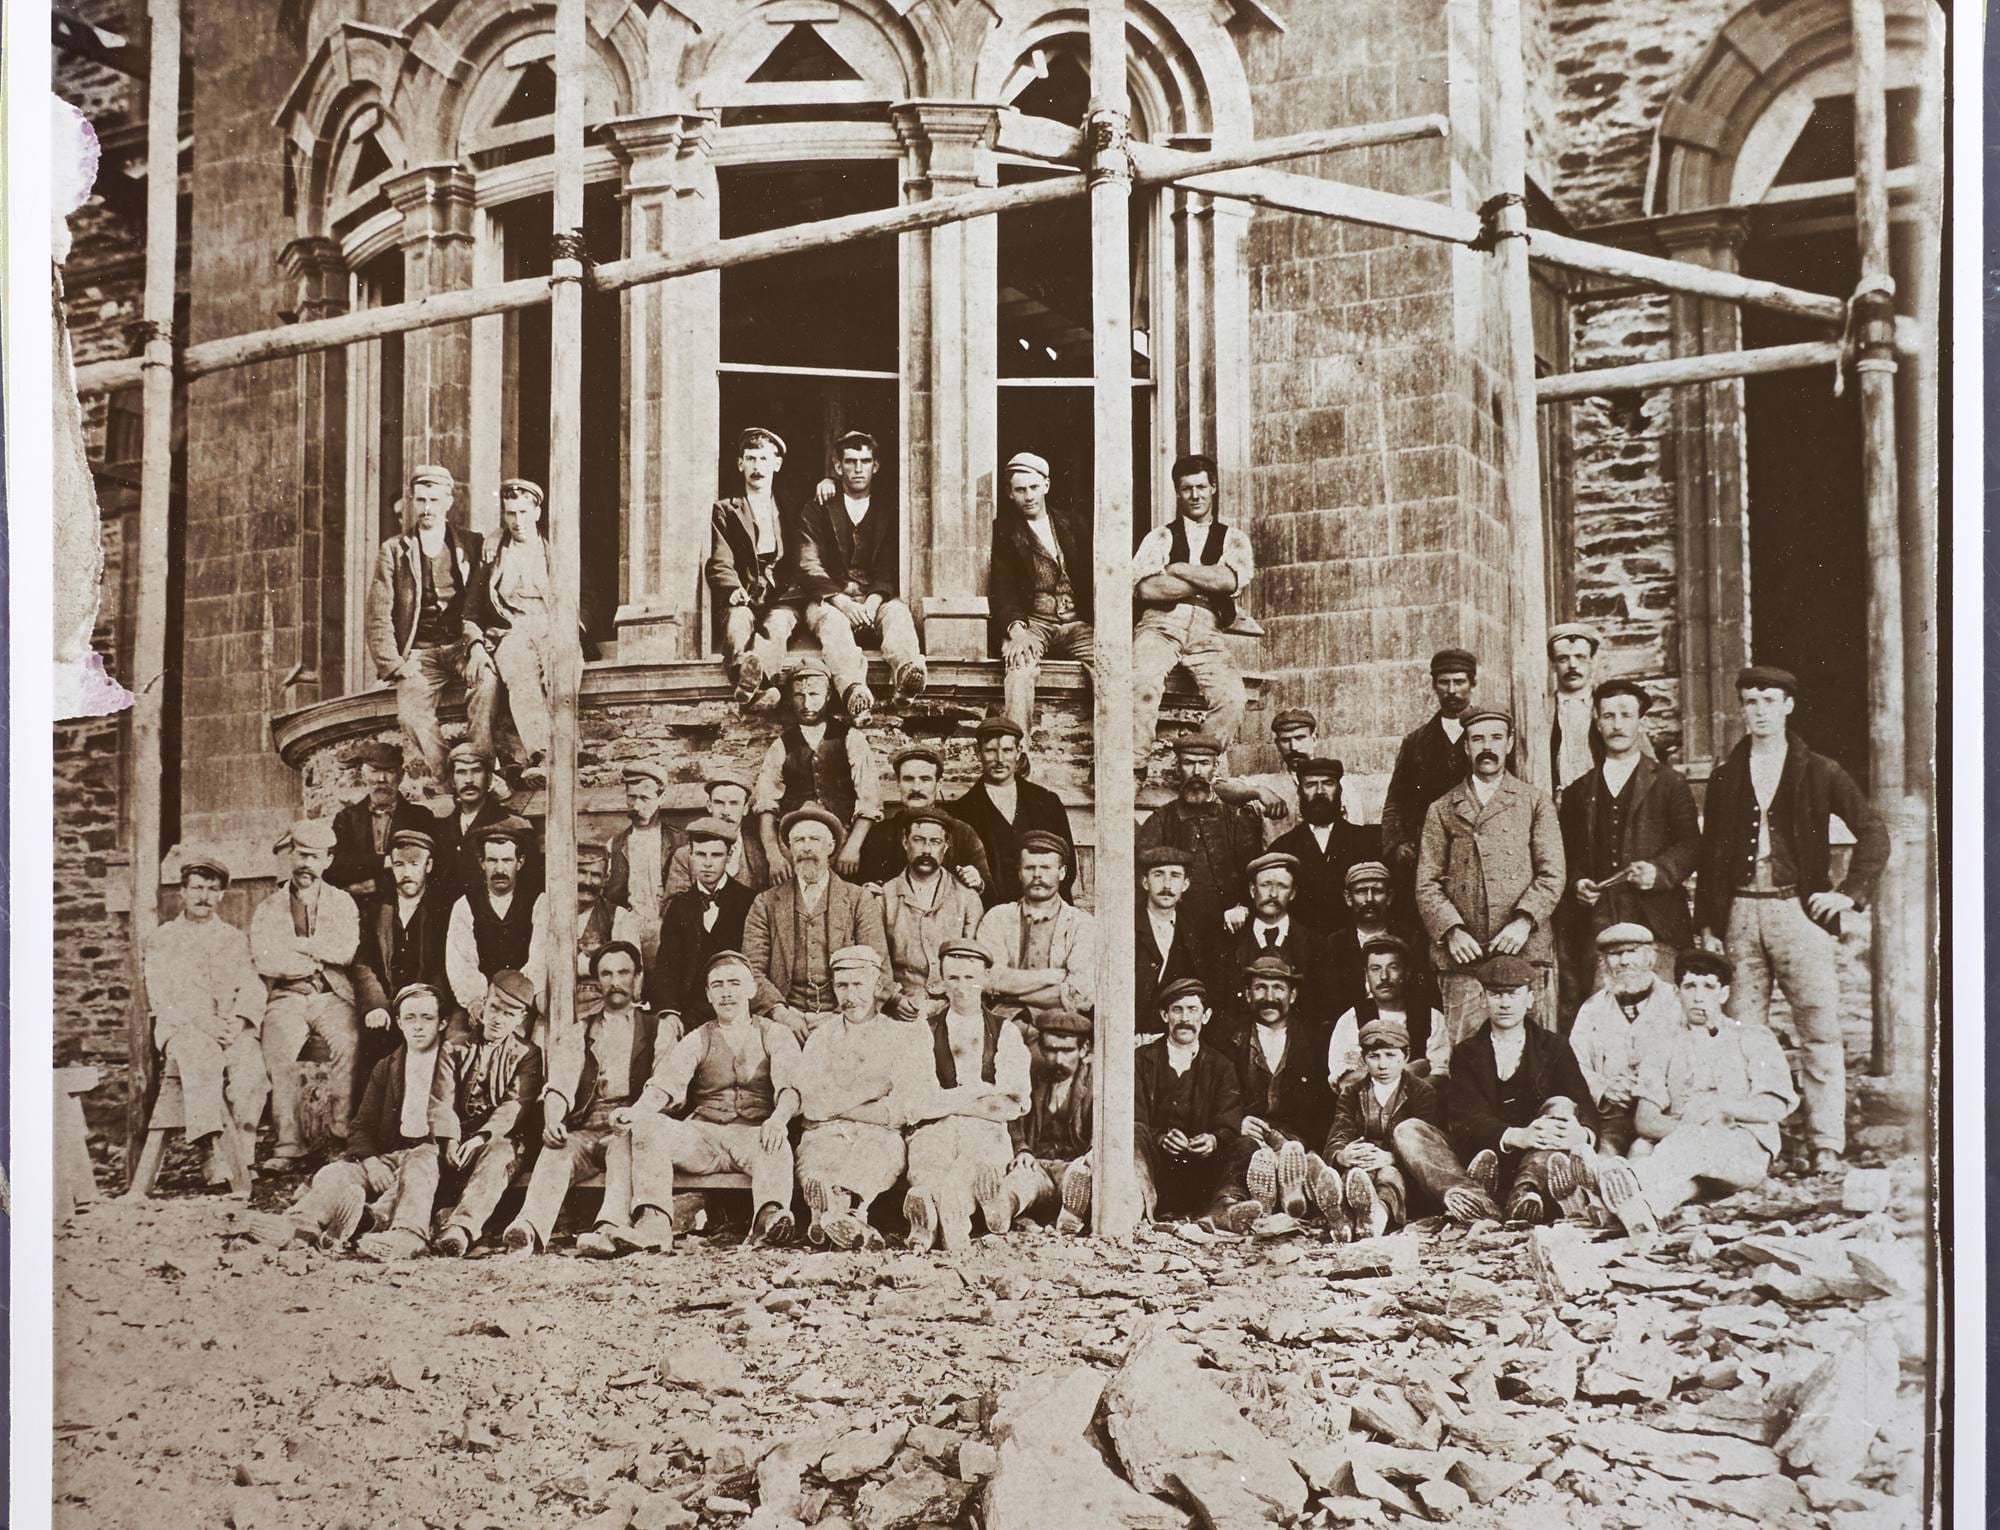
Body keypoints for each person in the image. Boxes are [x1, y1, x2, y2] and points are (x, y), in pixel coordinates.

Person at [1695, 665, 1888, 1176]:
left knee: (1819, 1030)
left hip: (1797, 913)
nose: (1757, 710)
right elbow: (1711, 855)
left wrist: (1847, 895)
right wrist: (1710, 922)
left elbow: (1872, 831)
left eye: (1767, 700)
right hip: (1739, 912)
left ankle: (1826, 1141)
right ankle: (1757, 1144)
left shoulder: (1819, 770)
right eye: (1749, 701)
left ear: (1788, 706)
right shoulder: (1726, 775)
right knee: (1743, 1034)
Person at [1584, 949, 1800, 1234]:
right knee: (1660, 1160)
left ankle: (1607, 1183)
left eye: (1709, 987)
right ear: (1677, 992)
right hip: (1682, 1151)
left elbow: (1773, 1107)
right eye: (1690, 986)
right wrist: (1689, 1126)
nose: (1699, 997)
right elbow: (1646, 1121)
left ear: (1723, 994)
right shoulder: (1663, 1044)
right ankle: (1638, 1210)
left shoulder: (1752, 1038)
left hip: (1742, 1153)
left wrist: (1720, 1108)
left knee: (1672, 1148)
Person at [618, 949, 807, 1248]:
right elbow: (666, 1082)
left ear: (751, 989)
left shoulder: (775, 1033)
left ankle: (769, 1222)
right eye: (717, 985)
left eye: (734, 983)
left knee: (776, 1144)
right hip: (703, 1138)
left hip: (752, 1136)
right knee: (648, 1128)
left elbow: (791, 1088)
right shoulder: (698, 1037)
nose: (726, 993)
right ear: (707, 994)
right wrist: (638, 1111)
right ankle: (653, 1224)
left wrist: (778, 1119)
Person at [502, 943, 676, 1256]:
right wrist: (554, 1118)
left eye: (623, 972)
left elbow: (663, 1084)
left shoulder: (655, 1028)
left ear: (637, 976)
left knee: (623, 1145)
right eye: (606, 974)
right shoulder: (581, 1029)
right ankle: (528, 1228)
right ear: (597, 981)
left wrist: (635, 1114)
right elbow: (560, 1083)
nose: (615, 981)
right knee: (556, 1151)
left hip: (628, 1126)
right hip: (586, 1126)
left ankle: (607, 1229)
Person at [258, 983, 451, 1253]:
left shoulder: (454, 1063)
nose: (418, 1026)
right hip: (389, 1157)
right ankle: (298, 1225)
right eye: (410, 1018)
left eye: (427, 1018)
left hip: (430, 1160)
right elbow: (361, 1126)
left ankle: (405, 1235)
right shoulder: (388, 1067)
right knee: (335, 1173)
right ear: (398, 1023)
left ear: (442, 1023)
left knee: (416, 1172)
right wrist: (372, 1163)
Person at [1416, 706, 1565, 1047]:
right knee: (1466, 1054)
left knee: (1532, 1056)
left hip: (1524, 951)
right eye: (1477, 738)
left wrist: (1524, 922)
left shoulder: (1534, 802)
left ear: (1510, 743)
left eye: (1496, 737)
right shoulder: (1441, 808)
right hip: (1464, 958)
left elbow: (1552, 874)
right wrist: (1451, 931)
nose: (1488, 746)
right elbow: (1426, 882)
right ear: (1466, 747)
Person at [1555, 677, 1699, 1028]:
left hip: (1657, 923)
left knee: (1664, 1017)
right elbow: (1567, 856)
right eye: (1609, 715)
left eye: (1625, 715)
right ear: (1597, 721)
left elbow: (1692, 846)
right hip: (1599, 924)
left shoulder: (1669, 783)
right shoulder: (1578, 792)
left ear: (1639, 722)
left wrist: (1659, 871)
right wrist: (1578, 884)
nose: (1617, 724)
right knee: (1601, 1018)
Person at [796, 945, 940, 1249]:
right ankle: (836, 1217)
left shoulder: (901, 1036)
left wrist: (837, 1107)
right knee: (819, 1158)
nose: (850, 996)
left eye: (858, 985)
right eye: (841, 986)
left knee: (875, 1154)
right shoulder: (822, 1038)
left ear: (877, 988)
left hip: (879, 1133)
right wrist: (872, 1092)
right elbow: (810, 1104)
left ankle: (844, 1213)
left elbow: (903, 1109)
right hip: (826, 1133)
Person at [364, 465, 497, 788]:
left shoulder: (471, 543)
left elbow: (485, 600)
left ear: (448, 502)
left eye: (434, 500)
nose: (427, 509)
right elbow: (378, 613)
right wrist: (395, 664)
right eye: (421, 500)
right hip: (419, 654)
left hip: (462, 647)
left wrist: (480, 647)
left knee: (488, 683)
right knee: (411, 714)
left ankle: (480, 767)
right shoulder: (394, 550)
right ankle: (448, 775)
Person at [144, 849, 268, 1190]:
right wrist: (202, 1022)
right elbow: (161, 998)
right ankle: (211, 1152)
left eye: (212, 890)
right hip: (184, 1028)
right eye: (197, 888)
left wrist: (240, 1021)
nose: (204, 897)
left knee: (251, 1067)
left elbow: (252, 986)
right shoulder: (163, 939)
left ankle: (243, 1156)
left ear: (222, 895)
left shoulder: (232, 938)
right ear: (182, 892)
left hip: (228, 1027)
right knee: (202, 1055)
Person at [1443, 956, 1598, 1225]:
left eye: (1513, 994)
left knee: (1561, 1104)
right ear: (1483, 999)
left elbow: (1584, 1105)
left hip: (1537, 1158)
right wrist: (1516, 1135)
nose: (1504, 1003)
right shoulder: (1466, 1053)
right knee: (1411, 1131)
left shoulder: (1555, 1047)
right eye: (1495, 995)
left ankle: (1525, 1195)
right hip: (1484, 1158)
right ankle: (1475, 1200)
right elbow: (1466, 1119)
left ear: (1529, 999)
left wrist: (1582, 1133)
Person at [902, 940, 1033, 1250]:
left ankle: (945, 1222)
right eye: (954, 978)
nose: (962, 988)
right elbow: (914, 1103)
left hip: (986, 1129)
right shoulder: (924, 1031)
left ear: (986, 978)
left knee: (970, 1167)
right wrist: (979, 1094)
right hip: (935, 1127)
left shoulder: (1005, 1032)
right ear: (942, 981)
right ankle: (930, 1223)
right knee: (929, 1163)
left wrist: (946, 1101)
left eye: (970, 978)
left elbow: (1011, 1105)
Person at [251, 819, 362, 1170]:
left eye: (314, 858)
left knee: (349, 1042)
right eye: (301, 855)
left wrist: (300, 946)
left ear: (327, 861)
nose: (306, 865)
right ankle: (288, 1145)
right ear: (291, 856)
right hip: (287, 997)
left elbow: (345, 950)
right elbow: (266, 958)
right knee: (279, 1050)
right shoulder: (269, 909)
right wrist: (311, 957)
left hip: (331, 995)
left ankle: (339, 1135)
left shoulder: (343, 903)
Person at [1131, 453, 1255, 751]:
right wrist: (1206, 583)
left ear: (1213, 487)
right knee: (1140, 686)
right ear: (1177, 492)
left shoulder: (1233, 538)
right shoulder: (1159, 537)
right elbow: (1147, 589)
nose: (1195, 495)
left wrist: (1179, 569)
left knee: (1232, 699)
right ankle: (1133, 769)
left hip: (1207, 631)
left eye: (1201, 487)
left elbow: (1230, 581)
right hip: (1160, 627)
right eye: (1187, 488)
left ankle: (1199, 768)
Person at [421, 970, 544, 1259]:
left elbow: (515, 1104)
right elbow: (442, 1098)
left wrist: (482, 1137)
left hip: (500, 1138)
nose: (499, 1019)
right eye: (495, 1008)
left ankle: (461, 1228)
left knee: (499, 1154)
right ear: (483, 1005)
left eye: (509, 1014)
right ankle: (385, 1220)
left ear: (521, 1019)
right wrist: (450, 1138)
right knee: (424, 1159)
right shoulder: (454, 1047)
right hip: (456, 1134)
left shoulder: (528, 1053)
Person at [799, 430, 927, 705]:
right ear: (837, 466)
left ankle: (906, 674)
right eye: (850, 461)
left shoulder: (889, 509)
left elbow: (889, 565)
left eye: (865, 461)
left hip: (872, 598)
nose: (858, 469)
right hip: (829, 600)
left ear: (875, 466)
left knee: (898, 614)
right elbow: (808, 562)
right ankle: (853, 688)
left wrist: (873, 602)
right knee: (833, 626)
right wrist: (842, 602)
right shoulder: (818, 507)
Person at [466, 478, 576, 788]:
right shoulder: (493, 555)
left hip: (553, 624)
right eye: (510, 514)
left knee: (563, 667)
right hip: (512, 627)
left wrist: (571, 626)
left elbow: (586, 598)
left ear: (537, 512)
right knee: (518, 671)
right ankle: (541, 755)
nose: (518, 521)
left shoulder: (555, 550)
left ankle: (565, 750)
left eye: (524, 512)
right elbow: (472, 608)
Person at [743, 804, 891, 1034]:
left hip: (846, 1016)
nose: (807, 848)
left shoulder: (858, 900)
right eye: (799, 840)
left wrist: (840, 1016)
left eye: (815, 839)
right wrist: (781, 1014)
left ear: (830, 846)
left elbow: (878, 968)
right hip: (783, 1018)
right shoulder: (765, 903)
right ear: (789, 848)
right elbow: (751, 970)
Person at [707, 426, 822, 710]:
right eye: (751, 459)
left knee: (778, 626)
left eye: (763, 459)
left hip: (782, 597)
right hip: (745, 594)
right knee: (737, 621)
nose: (757, 467)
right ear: (740, 463)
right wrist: (732, 588)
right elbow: (720, 558)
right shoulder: (726, 509)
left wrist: (829, 481)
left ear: (777, 464)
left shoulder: (792, 506)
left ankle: (759, 681)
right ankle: (747, 682)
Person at [1134, 977, 1257, 1229]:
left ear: (1206, 1016)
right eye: (1177, 1009)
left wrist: (1213, 1140)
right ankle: (1138, 1204)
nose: (1185, 1018)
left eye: (1193, 1010)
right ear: (1164, 1015)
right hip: (1156, 1170)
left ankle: (1223, 1208)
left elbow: (1228, 1122)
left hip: (1201, 1173)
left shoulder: (1221, 1066)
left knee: (1246, 1145)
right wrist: (1160, 1138)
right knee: (1132, 1135)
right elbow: (1136, 1118)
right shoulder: (1141, 1059)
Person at [1319, 1019, 1454, 1240]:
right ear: (1364, 1059)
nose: (1383, 1065)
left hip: (1402, 1168)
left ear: (1406, 1056)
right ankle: (1341, 1219)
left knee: (1389, 1177)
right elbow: (1340, 1130)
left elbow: (1429, 1145)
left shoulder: (1422, 1092)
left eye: (1391, 1056)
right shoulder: (1352, 1093)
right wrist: (1342, 1154)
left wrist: (1391, 1157)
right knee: (1355, 1175)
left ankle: (1378, 1216)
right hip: (1363, 1162)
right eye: (1374, 1056)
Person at [989, 452, 1094, 733]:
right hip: (1034, 624)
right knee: (1019, 668)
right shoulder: (1004, 531)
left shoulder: (1074, 524)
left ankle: (1116, 758)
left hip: (1076, 623)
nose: (1028, 496)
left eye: (1034, 487)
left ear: (1046, 485)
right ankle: (1016, 751)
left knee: (1112, 666)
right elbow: (1002, 586)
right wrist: (1017, 632)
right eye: (1020, 490)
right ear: (1009, 494)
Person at [1225, 953, 1335, 1221]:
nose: (1269, 996)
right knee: (1249, 1154)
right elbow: (1216, 1095)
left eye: (1278, 988)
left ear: (1293, 995)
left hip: (1298, 1140)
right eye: (1260, 987)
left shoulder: (1315, 1040)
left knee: (1297, 1155)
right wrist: (1236, 1120)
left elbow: (1324, 1108)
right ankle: (1279, 1193)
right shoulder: (1228, 1039)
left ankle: (1298, 1186)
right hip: (1249, 1140)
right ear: (1248, 995)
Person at [752, 657, 883, 880]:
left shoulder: (850, 738)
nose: (807, 704)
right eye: (799, 695)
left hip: (842, 843)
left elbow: (869, 799)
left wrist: (853, 847)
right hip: (795, 847)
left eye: (814, 695)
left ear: (828, 695)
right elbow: (766, 805)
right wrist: (774, 855)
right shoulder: (782, 745)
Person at [1566, 924, 1684, 1157]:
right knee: (1603, 1155)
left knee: (1648, 1158)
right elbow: (1573, 1063)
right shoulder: (1592, 1008)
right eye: (1615, 954)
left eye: (1633, 952)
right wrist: (1603, 1088)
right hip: (1612, 1115)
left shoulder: (1676, 1002)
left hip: (1664, 1115)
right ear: (1604, 962)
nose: (1624, 961)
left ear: (1650, 958)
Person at [1135, 734, 1263, 936]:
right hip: (1176, 930)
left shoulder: (1236, 819)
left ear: (1216, 767)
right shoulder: (1160, 821)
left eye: (1204, 763)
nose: (1196, 772)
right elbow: (1142, 880)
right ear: (1178, 767)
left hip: (1230, 927)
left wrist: (1243, 906)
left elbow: (1254, 873)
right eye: (1188, 763)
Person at [353, 829, 458, 1068]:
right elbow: (364, 963)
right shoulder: (377, 908)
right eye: (399, 865)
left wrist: (425, 1002)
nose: (407, 873)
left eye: (414, 864)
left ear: (428, 865)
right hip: (387, 1006)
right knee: (374, 1055)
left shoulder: (443, 909)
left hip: (427, 1003)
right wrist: (376, 1005)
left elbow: (445, 965)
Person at [976, 833, 1098, 1035]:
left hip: (1062, 1030)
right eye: (1030, 868)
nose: (1037, 875)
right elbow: (988, 979)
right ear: (1019, 872)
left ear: (1062, 872)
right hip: (1002, 1024)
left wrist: (1010, 993)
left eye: (1046, 868)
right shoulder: (997, 917)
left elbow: (1079, 996)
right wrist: (1052, 977)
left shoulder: (1081, 924)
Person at [949, 714, 1077, 905]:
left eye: (1007, 750)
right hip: (990, 912)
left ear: (1018, 752)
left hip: (1044, 910)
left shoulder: (1046, 802)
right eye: (990, 751)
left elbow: (1068, 866)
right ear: (978, 753)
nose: (999, 759)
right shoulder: (962, 811)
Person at [1214, 853, 1337, 1049]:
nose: (1273, 893)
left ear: (1293, 893)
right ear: (1252, 890)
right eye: (1266, 885)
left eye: (1282, 886)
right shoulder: (1228, 941)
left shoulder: (1316, 945)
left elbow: (1322, 1009)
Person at [649, 818, 761, 1030]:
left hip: (735, 1011)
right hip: (686, 1015)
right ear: (690, 855)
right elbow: (667, 968)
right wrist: (670, 1013)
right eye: (701, 854)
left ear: (729, 856)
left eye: (716, 855)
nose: (708, 863)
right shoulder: (679, 906)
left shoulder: (749, 901)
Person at [1380, 648, 1477, 891]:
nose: (1452, 690)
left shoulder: (1488, 736)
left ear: (1473, 683)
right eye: (1444, 682)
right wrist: (1397, 842)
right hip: (1426, 854)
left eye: (1459, 682)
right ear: (1434, 686)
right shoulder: (1415, 742)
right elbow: (1395, 801)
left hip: (1475, 850)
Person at [881, 808, 988, 1021]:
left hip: (954, 1005)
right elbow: (878, 959)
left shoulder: (967, 897)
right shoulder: (885, 896)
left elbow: (974, 964)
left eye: (935, 842)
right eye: (918, 840)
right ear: (905, 843)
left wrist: (948, 1003)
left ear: (946, 846)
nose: (927, 850)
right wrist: (895, 999)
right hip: (901, 1008)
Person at [997, 1009, 1098, 1233]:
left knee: (1079, 1181)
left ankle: (1070, 1215)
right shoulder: (1030, 1079)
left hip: (1075, 1165)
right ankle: (1002, 1210)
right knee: (1019, 1184)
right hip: (1038, 1164)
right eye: (1051, 1050)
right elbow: (1012, 1117)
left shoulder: (1096, 1083)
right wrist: (1021, 1149)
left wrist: (1089, 1158)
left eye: (1066, 1051)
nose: (1058, 1060)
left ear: (1084, 1049)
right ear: (1041, 1048)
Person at [444, 817, 548, 1025]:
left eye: (507, 860)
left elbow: (539, 960)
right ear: (482, 863)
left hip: (522, 1001)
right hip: (480, 1002)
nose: (499, 870)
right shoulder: (465, 905)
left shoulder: (539, 902)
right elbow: (461, 962)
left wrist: (514, 1000)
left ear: (520, 863)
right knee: (456, 1044)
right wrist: (476, 1001)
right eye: (492, 860)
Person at [857, 745, 991, 896]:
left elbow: (991, 894)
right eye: (908, 779)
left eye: (925, 779)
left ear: (938, 784)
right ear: (898, 784)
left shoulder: (962, 833)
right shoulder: (879, 835)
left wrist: (979, 884)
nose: (916, 788)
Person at [1328, 934, 1450, 1083]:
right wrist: (1410, 1071)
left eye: (1393, 967)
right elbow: (1346, 1081)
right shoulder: (1351, 1018)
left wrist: (1374, 1075)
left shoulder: (1431, 1017)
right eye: (1375, 969)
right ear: (1366, 975)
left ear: (1406, 973)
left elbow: (1440, 1075)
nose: (1384, 976)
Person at [1267, 757, 1369, 935]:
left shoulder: (1365, 841)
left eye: (1328, 783)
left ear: (1339, 790)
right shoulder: (1282, 848)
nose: (1320, 791)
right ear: (1300, 792)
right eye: (1311, 785)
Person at [1327, 860, 1438, 1016]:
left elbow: (1422, 994)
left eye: (1377, 891)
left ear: (1390, 896)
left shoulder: (1411, 940)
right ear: (1348, 898)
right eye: (1361, 891)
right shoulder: (1333, 945)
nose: (1370, 898)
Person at [428, 742, 533, 905]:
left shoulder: (513, 825)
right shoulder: (440, 830)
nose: (469, 780)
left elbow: (528, 889)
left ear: (489, 778)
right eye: (461, 772)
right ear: (453, 781)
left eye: (476, 771)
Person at [604, 759, 684, 970]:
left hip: (670, 926)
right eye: (632, 798)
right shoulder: (616, 844)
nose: (637, 806)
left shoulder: (679, 842)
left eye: (644, 798)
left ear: (661, 797)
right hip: (628, 929)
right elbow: (610, 897)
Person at [328, 741, 432, 901]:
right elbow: (335, 868)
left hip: (407, 908)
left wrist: (377, 885)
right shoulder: (347, 818)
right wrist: (387, 861)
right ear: (363, 775)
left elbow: (427, 870)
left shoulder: (419, 817)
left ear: (401, 776)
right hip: (357, 910)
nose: (381, 779)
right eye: (374, 771)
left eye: (389, 771)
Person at [1135, 844, 1218, 1038]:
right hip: (1132, 1036)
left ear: (1186, 884)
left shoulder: (1197, 930)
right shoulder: (1127, 924)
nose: (1166, 885)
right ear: (1145, 882)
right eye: (1158, 875)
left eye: (1175, 876)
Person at [1212, 707, 1322, 839]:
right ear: (1277, 744)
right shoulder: (1267, 784)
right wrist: (1258, 792)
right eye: (1285, 740)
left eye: (1300, 738)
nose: (1294, 747)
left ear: (1314, 739)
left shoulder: (1346, 784)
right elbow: (1216, 786)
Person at [665, 767, 769, 898]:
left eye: (734, 803)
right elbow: (672, 908)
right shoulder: (684, 857)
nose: (726, 811)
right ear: (709, 806)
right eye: (719, 803)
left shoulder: (760, 853)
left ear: (745, 808)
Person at [1547, 622, 1609, 792]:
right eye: (1563, 658)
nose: (1572, 665)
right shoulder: (1544, 712)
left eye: (1580, 657)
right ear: (1553, 664)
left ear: (1593, 661)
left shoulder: (1609, 707)